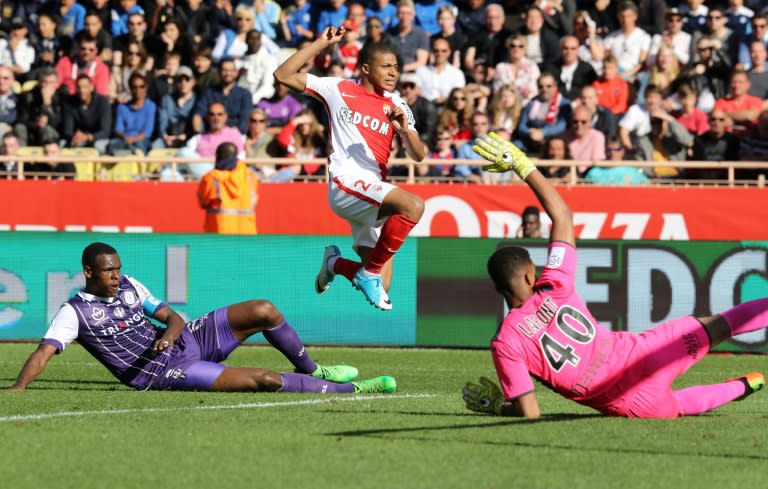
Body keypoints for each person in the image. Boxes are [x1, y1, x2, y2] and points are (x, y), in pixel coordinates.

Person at [462, 133, 766, 418]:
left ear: (498, 288)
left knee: (677, 407)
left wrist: (497, 406)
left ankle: (741, 386)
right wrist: (522, 165)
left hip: (628, 400)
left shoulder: (506, 341)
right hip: (647, 353)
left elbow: (530, 412)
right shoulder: (554, 285)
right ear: (531, 276)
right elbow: (563, 216)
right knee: (720, 325)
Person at [8, 242, 396, 394]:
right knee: (264, 379)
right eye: (108, 271)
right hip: (161, 372)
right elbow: (44, 352)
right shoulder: (73, 312)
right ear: (89, 273)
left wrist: (169, 333)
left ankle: (315, 371)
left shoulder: (129, 285)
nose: (116, 276)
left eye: (117, 269)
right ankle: (359, 390)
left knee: (264, 309)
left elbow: (171, 316)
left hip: (184, 341)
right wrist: (19, 388)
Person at [275, 28, 427, 311]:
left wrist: (405, 132)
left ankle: (334, 263)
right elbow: (283, 75)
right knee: (413, 206)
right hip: (347, 183)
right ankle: (368, 273)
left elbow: (420, 156)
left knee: (385, 282)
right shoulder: (338, 89)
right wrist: (322, 43)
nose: (393, 72)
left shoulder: (398, 105)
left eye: (396, 67)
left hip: (371, 192)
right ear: (366, 69)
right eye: (386, 66)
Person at [198, 142, 259, 234]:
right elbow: (254, 202)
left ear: (218, 156)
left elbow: (203, 202)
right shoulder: (250, 177)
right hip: (247, 237)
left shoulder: (211, 178)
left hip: (220, 235)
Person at [61, 74, 112, 154]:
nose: (81, 90)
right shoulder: (69, 103)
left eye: (85, 87)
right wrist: (75, 136)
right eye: (79, 87)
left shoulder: (102, 102)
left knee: (99, 146)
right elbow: (67, 130)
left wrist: (87, 137)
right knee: (62, 144)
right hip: (77, 138)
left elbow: (105, 131)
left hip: (96, 138)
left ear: (91, 87)